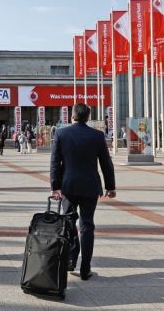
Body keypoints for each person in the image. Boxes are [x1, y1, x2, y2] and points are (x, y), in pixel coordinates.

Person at [50, 103, 116, 281]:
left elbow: (55, 163)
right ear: (88, 117)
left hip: (68, 186)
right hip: (89, 186)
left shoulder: (61, 134)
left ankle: (71, 260)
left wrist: (55, 186)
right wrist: (110, 186)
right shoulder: (97, 135)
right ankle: (85, 269)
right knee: (87, 226)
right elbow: (106, 164)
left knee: (69, 223)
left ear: (72, 116)